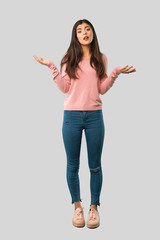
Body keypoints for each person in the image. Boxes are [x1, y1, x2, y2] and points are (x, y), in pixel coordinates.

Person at [33, 19, 136, 229]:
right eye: (79, 30)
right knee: (72, 165)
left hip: (94, 117)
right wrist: (51, 66)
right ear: (75, 36)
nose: (84, 32)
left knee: (95, 166)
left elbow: (102, 88)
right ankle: (77, 207)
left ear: (93, 33)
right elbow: (64, 88)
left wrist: (115, 72)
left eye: (87, 29)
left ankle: (94, 208)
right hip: (71, 116)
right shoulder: (68, 58)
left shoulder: (101, 58)